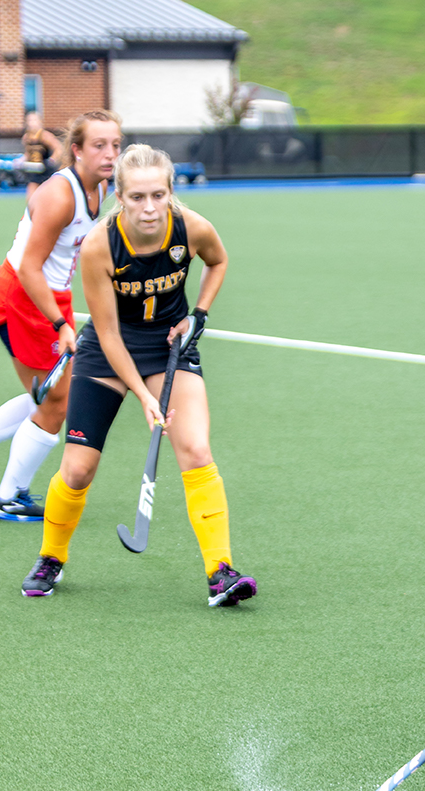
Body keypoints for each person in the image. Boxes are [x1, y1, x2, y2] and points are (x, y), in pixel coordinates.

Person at [20, 144, 257, 608]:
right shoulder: (98, 246)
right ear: (120, 197)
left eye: (158, 195)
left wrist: (198, 315)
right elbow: (107, 335)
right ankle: (51, 556)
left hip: (166, 347)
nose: (149, 208)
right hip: (108, 352)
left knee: (194, 448)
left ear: (170, 192)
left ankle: (220, 571)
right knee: (79, 469)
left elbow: (218, 261)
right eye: (137, 197)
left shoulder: (190, 227)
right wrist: (146, 399)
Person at [0, 108, 121, 520]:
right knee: (58, 402)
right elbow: (29, 267)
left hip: (48, 297)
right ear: (76, 150)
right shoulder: (59, 196)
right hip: (26, 296)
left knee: (47, 396)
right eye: (98, 145)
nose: (109, 154)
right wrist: (59, 324)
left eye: (115, 145)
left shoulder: (101, 186)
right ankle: (8, 496)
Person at [21, 110, 61, 197]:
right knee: (31, 196)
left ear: (40, 122)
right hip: (34, 170)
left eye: (34, 120)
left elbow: (58, 149)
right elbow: (28, 153)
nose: (32, 123)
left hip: (46, 170)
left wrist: (51, 160)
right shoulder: (26, 137)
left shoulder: (45, 136)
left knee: (48, 197)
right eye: (30, 120)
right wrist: (21, 160)